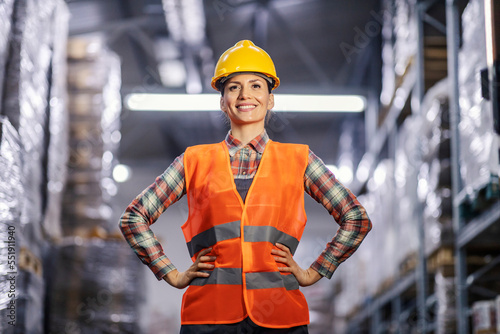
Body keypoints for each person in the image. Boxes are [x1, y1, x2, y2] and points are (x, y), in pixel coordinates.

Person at [119, 40, 372, 333]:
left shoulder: (299, 160)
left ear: (270, 98)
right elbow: (133, 217)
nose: (245, 95)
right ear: (222, 99)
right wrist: (170, 273)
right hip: (209, 319)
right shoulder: (194, 160)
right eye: (234, 87)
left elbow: (356, 218)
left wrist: (315, 271)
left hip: (280, 317)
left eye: (256, 85)